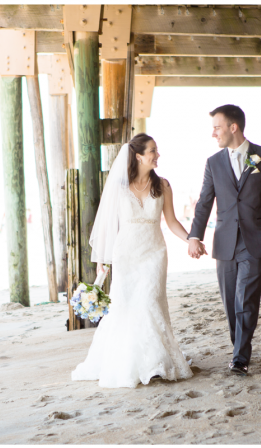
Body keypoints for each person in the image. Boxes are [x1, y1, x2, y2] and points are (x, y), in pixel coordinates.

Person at [71, 133, 194, 388]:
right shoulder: (119, 187)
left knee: (150, 303)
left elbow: (171, 222)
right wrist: (101, 261)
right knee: (125, 307)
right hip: (125, 254)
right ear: (138, 156)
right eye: (153, 151)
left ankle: (155, 364)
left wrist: (191, 239)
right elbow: (107, 225)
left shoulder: (164, 186)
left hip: (154, 253)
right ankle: (130, 363)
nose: (157, 155)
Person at [187, 104, 261, 376]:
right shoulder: (213, 163)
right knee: (231, 301)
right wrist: (194, 235)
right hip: (225, 242)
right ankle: (239, 348)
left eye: (216, 128)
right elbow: (205, 202)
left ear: (233, 127)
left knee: (246, 299)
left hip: (256, 241)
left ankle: (240, 358)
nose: (213, 134)